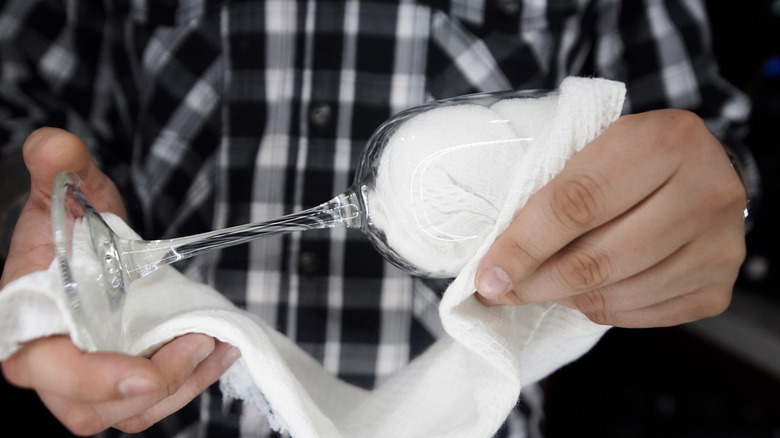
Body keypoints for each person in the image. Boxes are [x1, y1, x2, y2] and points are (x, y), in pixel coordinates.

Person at [0, 0, 754, 436]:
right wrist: (20, 214)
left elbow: (698, 143)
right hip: (167, 411)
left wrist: (711, 203)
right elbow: (21, 110)